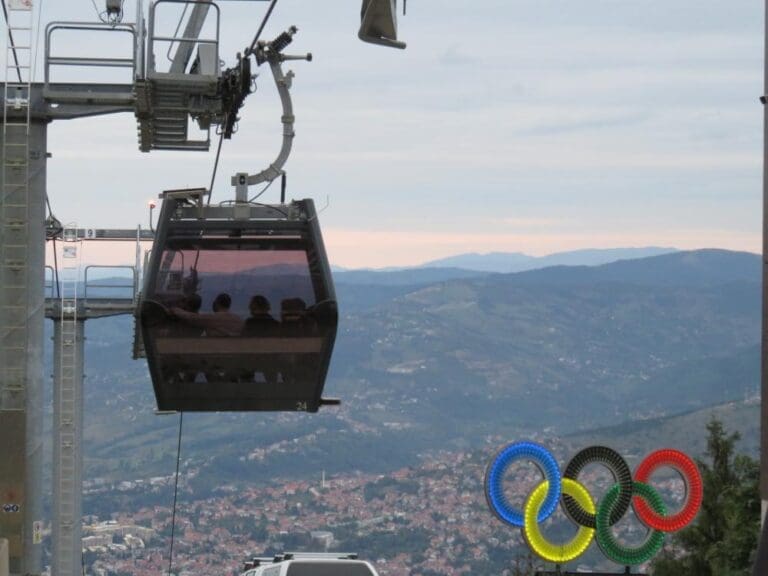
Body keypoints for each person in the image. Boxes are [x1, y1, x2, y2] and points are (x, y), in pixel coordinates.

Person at [171, 292, 244, 336]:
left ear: (217, 303)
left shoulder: (213, 318)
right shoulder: (240, 321)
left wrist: (175, 310)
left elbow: (192, 317)